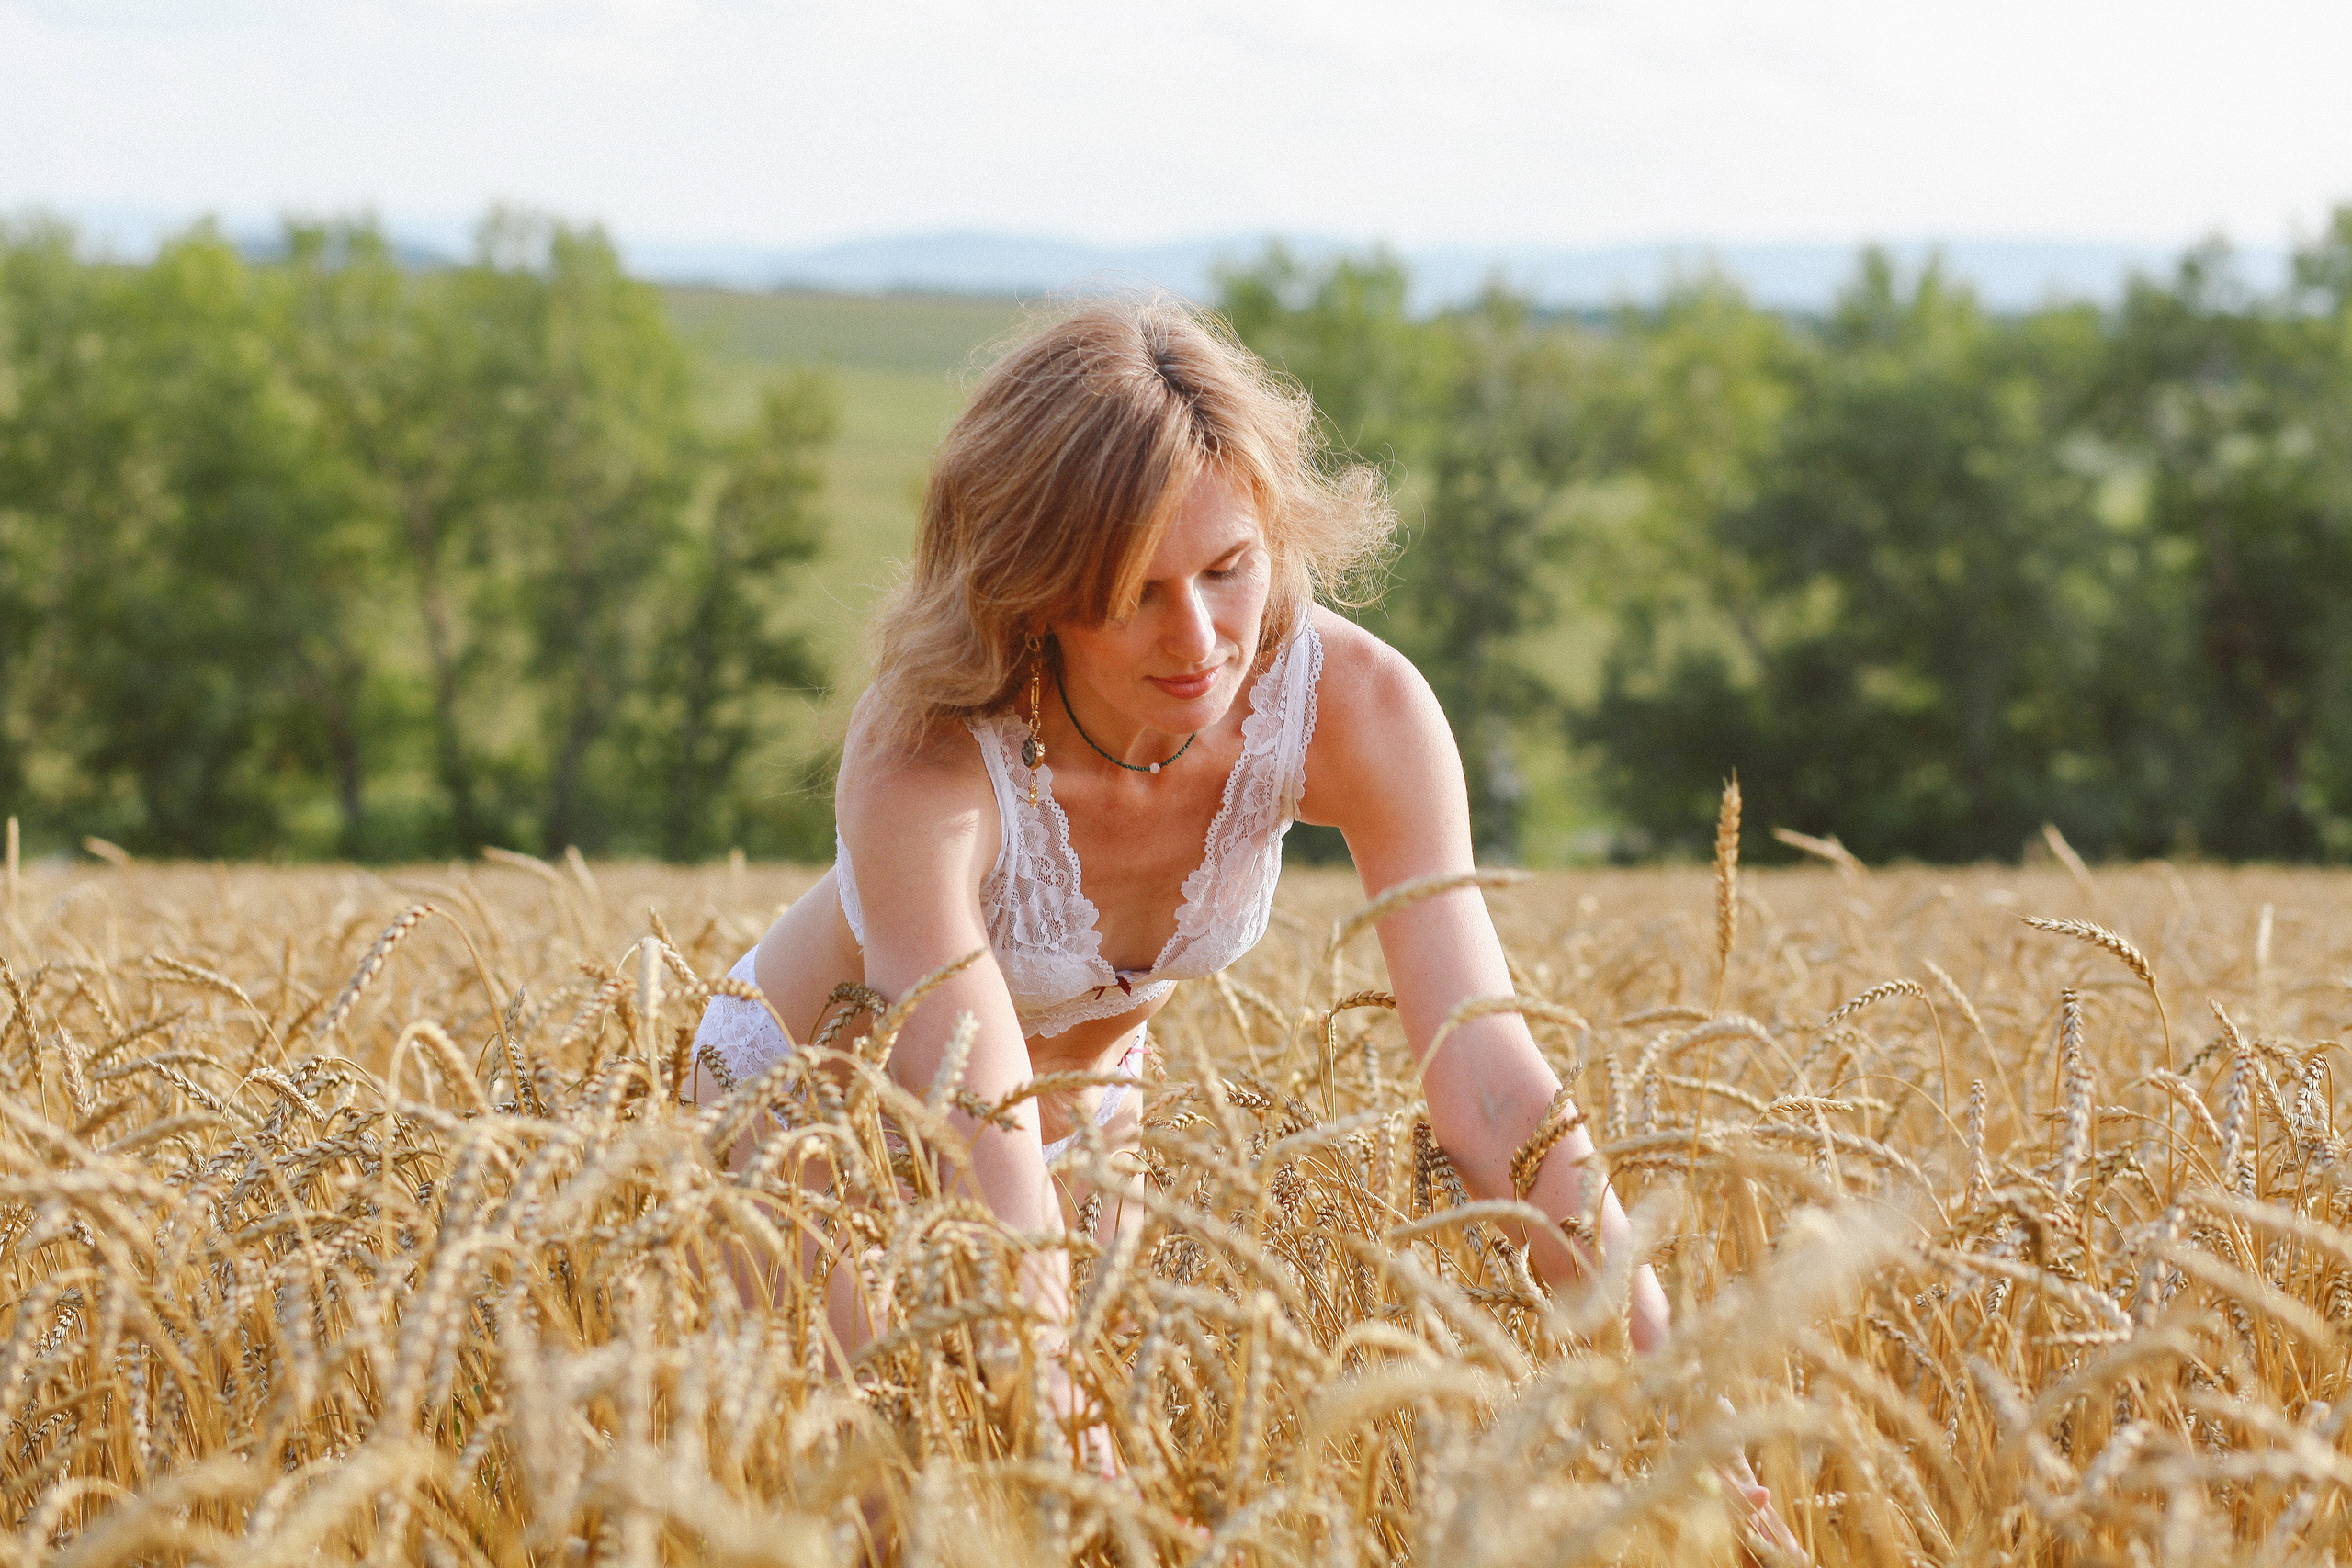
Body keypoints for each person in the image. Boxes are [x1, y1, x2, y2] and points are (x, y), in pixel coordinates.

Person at [689, 297, 1797, 1551]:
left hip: (1087, 1125)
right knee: (908, 1507)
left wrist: (1680, 1402)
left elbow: (1490, 1082)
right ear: (1035, 588)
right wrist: (1057, 1414)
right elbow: (973, 1111)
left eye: (1229, 569)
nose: (1199, 638)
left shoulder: (1361, 709)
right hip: (811, 1118)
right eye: (1134, 593)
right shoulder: (926, 756)